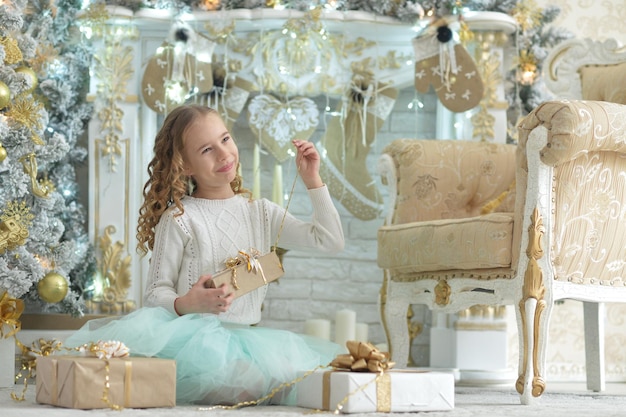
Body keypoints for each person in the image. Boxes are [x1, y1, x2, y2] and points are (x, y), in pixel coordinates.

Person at [65, 104, 345, 405]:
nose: (224, 155)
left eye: (225, 140)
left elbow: (329, 240)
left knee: (298, 383)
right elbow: (155, 293)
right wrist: (187, 303)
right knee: (249, 387)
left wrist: (312, 180)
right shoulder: (180, 218)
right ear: (186, 166)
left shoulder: (260, 213)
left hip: (250, 341)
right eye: (207, 150)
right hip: (195, 345)